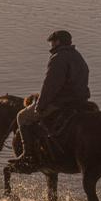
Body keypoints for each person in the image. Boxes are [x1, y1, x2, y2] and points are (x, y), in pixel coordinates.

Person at [18, 29, 90, 166]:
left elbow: (50, 86)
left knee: (22, 117)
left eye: (51, 42)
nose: (50, 46)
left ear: (57, 42)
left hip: (62, 102)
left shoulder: (58, 58)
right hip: (81, 101)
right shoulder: (78, 56)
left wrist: (39, 106)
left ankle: (28, 155)